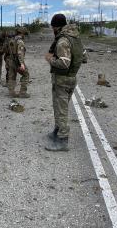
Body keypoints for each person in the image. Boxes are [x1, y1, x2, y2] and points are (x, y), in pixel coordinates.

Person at [44, 14, 83, 151]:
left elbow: (64, 63)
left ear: (56, 26)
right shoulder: (76, 38)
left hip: (62, 80)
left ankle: (62, 141)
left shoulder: (62, 41)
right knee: (59, 107)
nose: (52, 30)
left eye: (53, 27)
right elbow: (84, 57)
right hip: (71, 78)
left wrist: (50, 59)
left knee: (61, 110)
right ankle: (57, 131)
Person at [8, 27, 30, 98]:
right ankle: (23, 93)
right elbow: (20, 53)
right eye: (24, 34)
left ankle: (11, 92)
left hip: (11, 61)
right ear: (22, 33)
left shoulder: (12, 40)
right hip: (17, 62)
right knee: (26, 74)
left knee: (12, 76)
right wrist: (22, 64)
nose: (24, 36)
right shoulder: (20, 41)